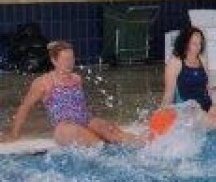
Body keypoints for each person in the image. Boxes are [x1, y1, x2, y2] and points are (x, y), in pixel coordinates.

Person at [2, 41, 141, 147]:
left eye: (72, 59)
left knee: (112, 131)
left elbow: (79, 107)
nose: (70, 63)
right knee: (97, 145)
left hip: (85, 120)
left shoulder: (76, 78)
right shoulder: (44, 82)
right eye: (65, 60)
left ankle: (146, 143)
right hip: (64, 127)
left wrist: (99, 125)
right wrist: (14, 134)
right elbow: (24, 108)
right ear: (54, 61)